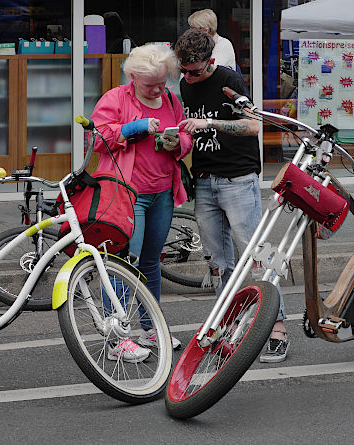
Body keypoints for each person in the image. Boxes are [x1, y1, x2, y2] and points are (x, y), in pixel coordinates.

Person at [174, 28, 289, 363]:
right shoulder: (185, 84)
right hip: (206, 180)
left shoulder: (229, 80)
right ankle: (228, 325)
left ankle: (277, 327)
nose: (188, 77)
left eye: (194, 71)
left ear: (210, 61)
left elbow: (253, 126)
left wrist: (211, 124)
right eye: (183, 70)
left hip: (239, 179)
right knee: (218, 262)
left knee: (257, 255)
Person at [91, 43, 193, 362]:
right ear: (133, 76)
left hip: (162, 193)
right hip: (127, 195)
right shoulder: (116, 98)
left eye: (164, 82)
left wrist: (178, 142)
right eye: (151, 85)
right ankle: (116, 337)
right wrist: (132, 129)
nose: (159, 89)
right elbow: (96, 140)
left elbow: (185, 138)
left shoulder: (172, 99)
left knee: (150, 263)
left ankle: (151, 328)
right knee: (123, 264)